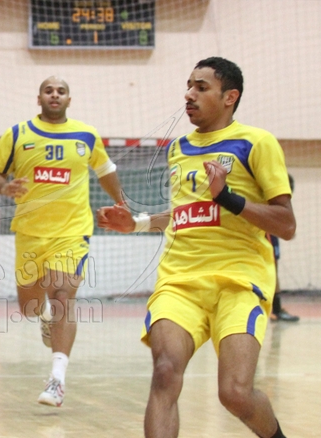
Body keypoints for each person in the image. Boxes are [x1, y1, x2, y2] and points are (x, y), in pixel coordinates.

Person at [98, 57, 295, 437]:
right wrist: (136, 223)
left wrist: (228, 198)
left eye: (201, 87)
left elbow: (286, 224)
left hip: (239, 281)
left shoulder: (256, 142)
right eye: (188, 86)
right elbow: (184, 214)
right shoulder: (179, 148)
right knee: (165, 372)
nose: (189, 94)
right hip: (180, 281)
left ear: (229, 97)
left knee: (235, 393)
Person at [0, 76, 124, 407]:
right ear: (39, 98)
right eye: (49, 90)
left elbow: (105, 170)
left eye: (61, 91)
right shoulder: (17, 134)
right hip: (30, 232)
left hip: (72, 231)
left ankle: (57, 379)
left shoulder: (86, 135)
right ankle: (44, 316)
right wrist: (4, 187)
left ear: (69, 100)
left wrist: (122, 202)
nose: (55, 95)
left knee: (62, 294)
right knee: (30, 307)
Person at [269, 174, 299, 322]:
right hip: (265, 235)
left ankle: (276, 309)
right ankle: (276, 309)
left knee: (274, 269)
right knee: (272, 268)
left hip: (270, 234)